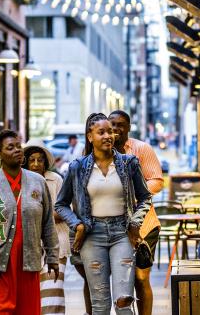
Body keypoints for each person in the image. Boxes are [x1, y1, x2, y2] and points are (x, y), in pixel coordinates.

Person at [55, 113, 152, 315]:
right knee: (99, 304)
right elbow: (61, 204)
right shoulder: (77, 167)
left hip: (122, 234)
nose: (109, 135)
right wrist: (77, 225)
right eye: (102, 132)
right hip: (92, 236)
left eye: (111, 131)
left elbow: (145, 197)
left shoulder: (128, 163)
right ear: (90, 137)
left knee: (124, 301)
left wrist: (135, 222)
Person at [0, 129, 59, 314]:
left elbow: (47, 223)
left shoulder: (37, 182)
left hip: (28, 263)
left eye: (19, 146)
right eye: (10, 147)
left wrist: (52, 256)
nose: (17, 150)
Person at [109, 110, 164, 315]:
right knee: (120, 279)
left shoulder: (141, 149)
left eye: (121, 124)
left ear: (129, 127)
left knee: (141, 278)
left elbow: (157, 180)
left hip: (144, 224)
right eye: (112, 124)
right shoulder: (99, 150)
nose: (115, 129)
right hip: (112, 226)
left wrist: (134, 194)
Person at [23, 140, 69, 315]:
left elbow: (64, 210)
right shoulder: (20, 180)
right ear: (25, 161)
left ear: (45, 162)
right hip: (28, 246)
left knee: (52, 293)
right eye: (32, 159)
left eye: (40, 160)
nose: (35, 164)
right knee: (34, 294)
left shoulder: (55, 179)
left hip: (57, 243)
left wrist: (39, 215)